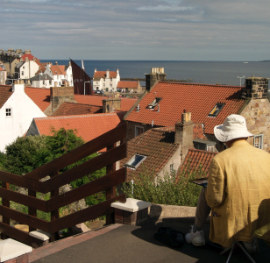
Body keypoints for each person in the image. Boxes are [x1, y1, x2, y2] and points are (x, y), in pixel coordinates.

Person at [185, 114, 270, 250]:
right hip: (263, 220)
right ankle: (249, 240)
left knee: (206, 189)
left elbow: (215, 200)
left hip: (234, 220)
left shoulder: (220, 160)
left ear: (225, 138)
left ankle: (197, 232)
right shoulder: (266, 156)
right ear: (246, 136)